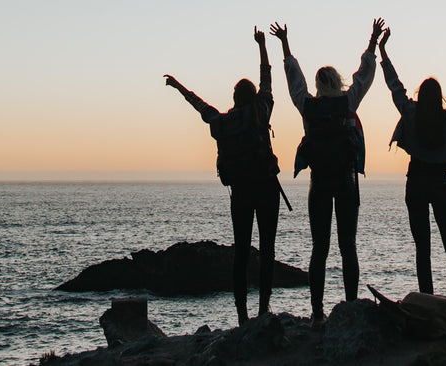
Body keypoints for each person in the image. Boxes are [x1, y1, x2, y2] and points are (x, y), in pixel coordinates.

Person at [164, 27, 282, 326]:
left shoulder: (224, 123)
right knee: (267, 249)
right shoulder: (262, 112)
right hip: (267, 187)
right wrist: (262, 46)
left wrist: (178, 87)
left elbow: (200, 106)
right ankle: (263, 309)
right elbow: (267, 80)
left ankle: (242, 315)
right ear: (253, 97)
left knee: (241, 252)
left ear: (234, 97)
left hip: (240, 192)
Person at [270, 18, 384, 326]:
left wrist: (285, 45)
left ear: (319, 85)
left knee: (319, 247)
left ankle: (317, 312)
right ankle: (348, 307)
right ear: (338, 81)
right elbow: (365, 74)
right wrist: (372, 39)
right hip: (347, 183)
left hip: (318, 184)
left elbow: (294, 80)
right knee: (348, 245)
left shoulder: (308, 107)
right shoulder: (349, 103)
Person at [378, 27, 446, 315]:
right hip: (440, 181)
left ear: (419, 95)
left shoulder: (410, 112)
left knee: (422, 247)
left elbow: (394, 85)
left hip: (416, 180)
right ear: (439, 97)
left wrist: (383, 50)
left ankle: (426, 301)